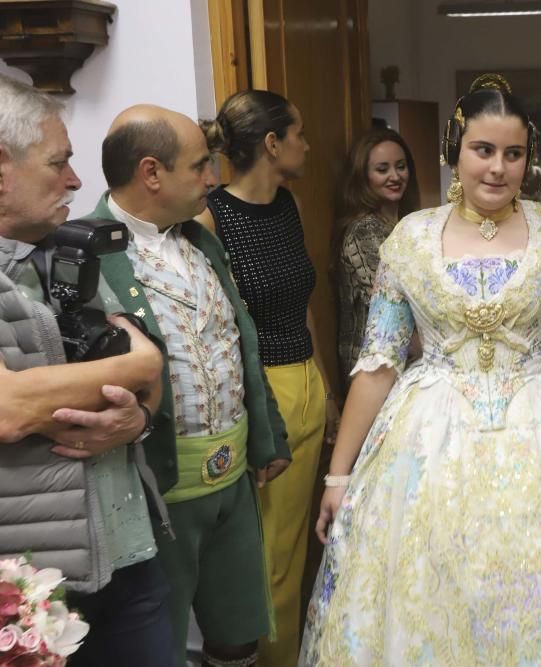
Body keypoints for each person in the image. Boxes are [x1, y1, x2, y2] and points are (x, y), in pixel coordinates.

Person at [300, 74, 541, 666]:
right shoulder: (409, 238)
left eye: (514, 153)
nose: (498, 168)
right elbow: (377, 363)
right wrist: (338, 474)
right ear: (455, 150)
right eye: (483, 150)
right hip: (427, 441)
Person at [94, 104, 291, 667]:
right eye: (201, 165)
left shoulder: (202, 242)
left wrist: (266, 435)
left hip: (232, 479)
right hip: (158, 491)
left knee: (238, 630)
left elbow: (242, 343)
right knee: (160, 641)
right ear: (151, 173)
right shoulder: (87, 254)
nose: (214, 178)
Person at [0, 74, 173, 666]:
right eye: (59, 162)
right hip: (33, 588)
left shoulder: (67, 254)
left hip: (130, 552)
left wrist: (138, 417)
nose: (76, 180)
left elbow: (142, 386)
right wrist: (142, 362)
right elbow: (8, 408)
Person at [193, 89, 336, 667]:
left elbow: (303, 305)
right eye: (297, 133)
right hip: (260, 395)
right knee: (267, 557)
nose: (306, 143)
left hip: (304, 381)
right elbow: (214, 330)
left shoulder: (288, 205)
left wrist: (326, 386)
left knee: (299, 551)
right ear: (272, 143)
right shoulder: (211, 218)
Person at [335, 126, 419, 387]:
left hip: (405, 361)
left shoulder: (406, 225)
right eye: (382, 169)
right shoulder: (365, 230)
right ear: (363, 177)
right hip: (373, 371)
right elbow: (394, 306)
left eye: (401, 166)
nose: (395, 176)